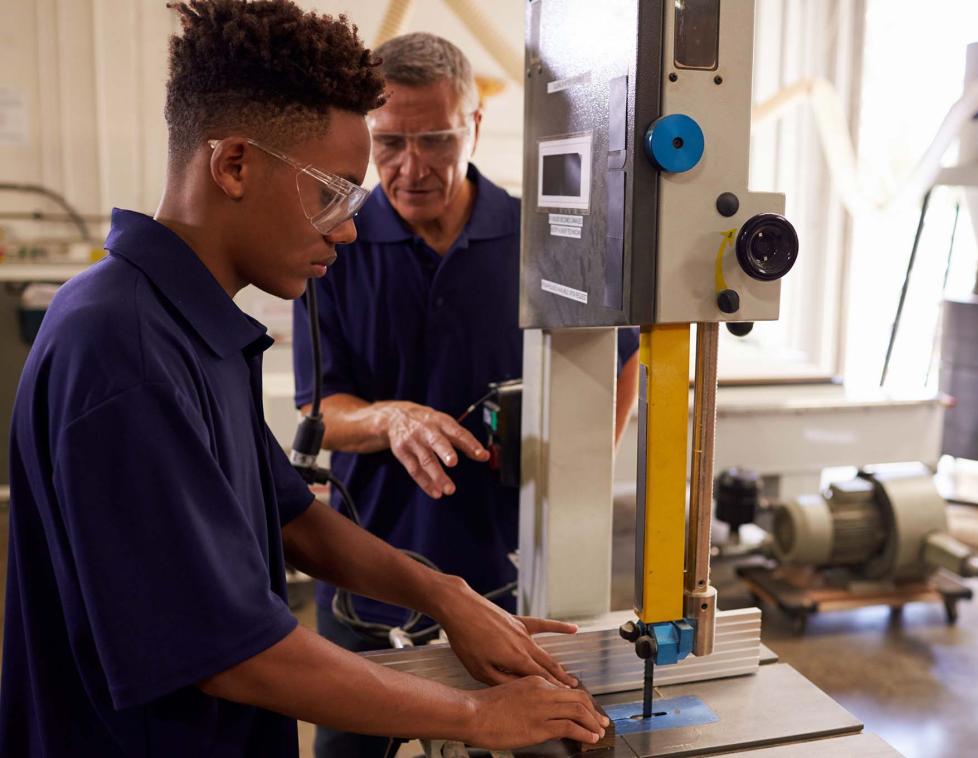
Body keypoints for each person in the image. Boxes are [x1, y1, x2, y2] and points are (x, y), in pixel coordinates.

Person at [0, 3, 608, 756]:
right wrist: (477, 719)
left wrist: (443, 595)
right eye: (333, 192)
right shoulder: (120, 348)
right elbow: (234, 652)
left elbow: (291, 517)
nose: (349, 227)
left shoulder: (193, 327)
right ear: (233, 165)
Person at [291, 31, 639, 757]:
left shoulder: (543, 237)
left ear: (475, 126)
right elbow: (317, 411)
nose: (410, 167)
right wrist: (391, 419)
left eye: (436, 140)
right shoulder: (335, 243)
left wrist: (575, 472)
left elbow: (621, 356)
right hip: (366, 578)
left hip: (510, 584)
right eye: (388, 143)